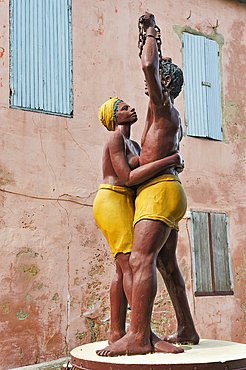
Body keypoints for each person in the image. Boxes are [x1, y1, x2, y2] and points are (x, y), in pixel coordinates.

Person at [98, 12, 199, 357]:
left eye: (156, 81)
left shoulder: (161, 104)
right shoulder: (168, 115)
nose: (147, 86)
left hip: (158, 193)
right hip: (169, 189)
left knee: (140, 260)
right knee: (166, 264)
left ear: (164, 84)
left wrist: (151, 32)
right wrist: (171, 161)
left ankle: (139, 336)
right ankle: (187, 327)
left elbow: (148, 67)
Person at [93, 97, 184, 354]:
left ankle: (117, 332)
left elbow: (145, 165)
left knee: (123, 269)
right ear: (114, 118)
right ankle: (144, 335)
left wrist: (169, 160)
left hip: (126, 201)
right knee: (129, 265)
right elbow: (129, 177)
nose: (129, 108)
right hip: (113, 199)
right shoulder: (115, 139)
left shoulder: (132, 143)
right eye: (122, 108)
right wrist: (169, 161)